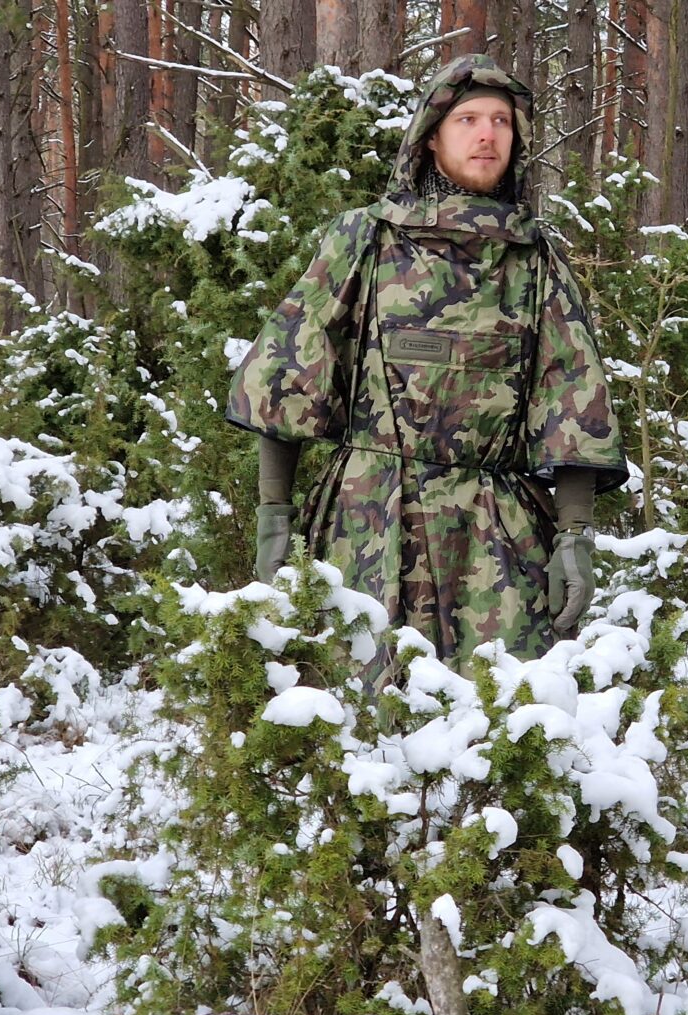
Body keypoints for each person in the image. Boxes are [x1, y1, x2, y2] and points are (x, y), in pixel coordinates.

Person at [226, 54, 626, 666]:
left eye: (501, 121)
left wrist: (574, 536)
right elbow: (288, 378)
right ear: (431, 136)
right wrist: (274, 517)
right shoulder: (364, 240)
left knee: (498, 706)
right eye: (468, 119)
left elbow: (571, 398)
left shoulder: (536, 262)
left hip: (496, 540)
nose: (487, 134)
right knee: (359, 700)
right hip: (366, 522)